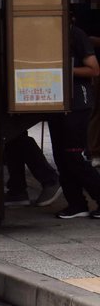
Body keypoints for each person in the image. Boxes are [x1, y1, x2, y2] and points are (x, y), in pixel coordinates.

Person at [47, 14, 100, 218]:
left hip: (78, 101)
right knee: (61, 157)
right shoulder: (45, 36)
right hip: (54, 101)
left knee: (74, 155)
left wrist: (65, 70)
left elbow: (94, 69)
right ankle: (76, 203)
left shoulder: (76, 35)